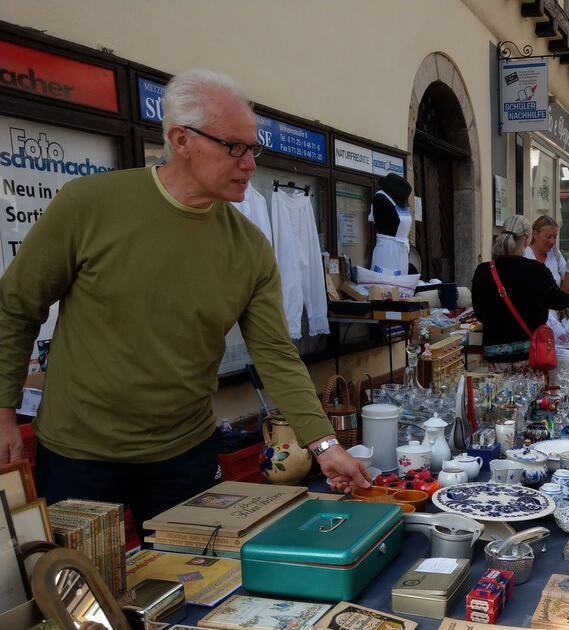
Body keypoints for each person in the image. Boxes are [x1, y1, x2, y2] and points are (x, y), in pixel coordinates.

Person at [0, 69, 370, 533]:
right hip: (80, 452)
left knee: (196, 588)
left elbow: (275, 353)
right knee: (79, 591)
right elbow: (16, 308)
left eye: (252, 148)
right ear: (181, 140)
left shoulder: (249, 246)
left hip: (185, 453)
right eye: (233, 147)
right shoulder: (89, 205)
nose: (249, 163)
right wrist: (4, 415)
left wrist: (323, 444)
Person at [471, 215, 569, 372]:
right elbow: (557, 301)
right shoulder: (537, 270)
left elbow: (479, 314)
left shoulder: (483, 271)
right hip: (530, 355)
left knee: (498, 396)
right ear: (526, 240)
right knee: (530, 396)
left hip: (495, 355)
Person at [523, 215, 566, 285]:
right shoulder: (524, 255)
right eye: (548, 237)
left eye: (555, 237)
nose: (552, 241)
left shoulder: (556, 254)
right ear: (535, 234)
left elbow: (567, 279)